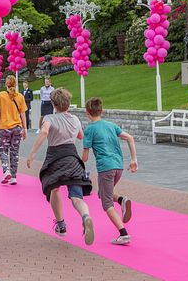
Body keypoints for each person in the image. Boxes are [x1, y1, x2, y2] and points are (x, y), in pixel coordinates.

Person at [26, 88, 95, 245]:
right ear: (69, 104)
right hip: (72, 158)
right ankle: (86, 216)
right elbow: (81, 136)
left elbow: (43, 133)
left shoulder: (49, 118)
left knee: (54, 188)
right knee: (76, 197)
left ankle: (61, 224)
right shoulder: (75, 120)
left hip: (55, 158)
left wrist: (32, 154)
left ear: (53, 104)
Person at [81, 97, 138, 245]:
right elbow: (130, 138)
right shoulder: (111, 125)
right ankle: (121, 200)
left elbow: (85, 158)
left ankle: (123, 233)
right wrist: (133, 160)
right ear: (102, 110)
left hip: (105, 168)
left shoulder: (89, 130)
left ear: (87, 113)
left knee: (106, 204)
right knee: (103, 193)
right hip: (118, 166)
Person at [0, 75, 27, 185]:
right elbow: (23, 114)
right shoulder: (20, 97)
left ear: (6, 84)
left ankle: (6, 170)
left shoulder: (1, 95)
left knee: (3, 150)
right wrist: (25, 128)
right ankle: (14, 177)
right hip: (17, 127)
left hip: (4, 127)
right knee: (15, 151)